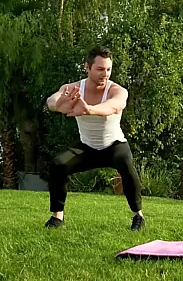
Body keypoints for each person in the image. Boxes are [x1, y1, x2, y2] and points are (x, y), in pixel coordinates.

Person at [43, 46, 145, 231]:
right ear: (87, 67)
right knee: (58, 164)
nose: (104, 74)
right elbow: (51, 100)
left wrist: (89, 109)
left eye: (108, 69)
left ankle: (138, 216)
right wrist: (59, 105)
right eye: (99, 69)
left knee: (125, 162)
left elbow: (113, 106)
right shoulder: (74, 88)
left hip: (114, 145)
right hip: (86, 147)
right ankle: (57, 217)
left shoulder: (117, 90)